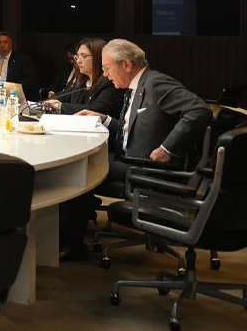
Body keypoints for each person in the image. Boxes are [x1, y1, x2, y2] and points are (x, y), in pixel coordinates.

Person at [60, 39, 211, 260]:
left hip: (145, 165)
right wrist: (105, 120)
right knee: (79, 164)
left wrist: (168, 147)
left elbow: (199, 110)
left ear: (127, 64)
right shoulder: (136, 86)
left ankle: (72, 244)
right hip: (129, 158)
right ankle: (70, 234)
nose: (105, 74)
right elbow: (134, 128)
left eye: (107, 68)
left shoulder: (155, 83)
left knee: (77, 170)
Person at [41, 37, 123, 116]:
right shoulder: (82, 82)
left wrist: (60, 107)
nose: (78, 61)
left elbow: (96, 109)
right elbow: (61, 96)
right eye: (77, 57)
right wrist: (50, 102)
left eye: (83, 56)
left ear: (99, 58)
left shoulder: (110, 82)